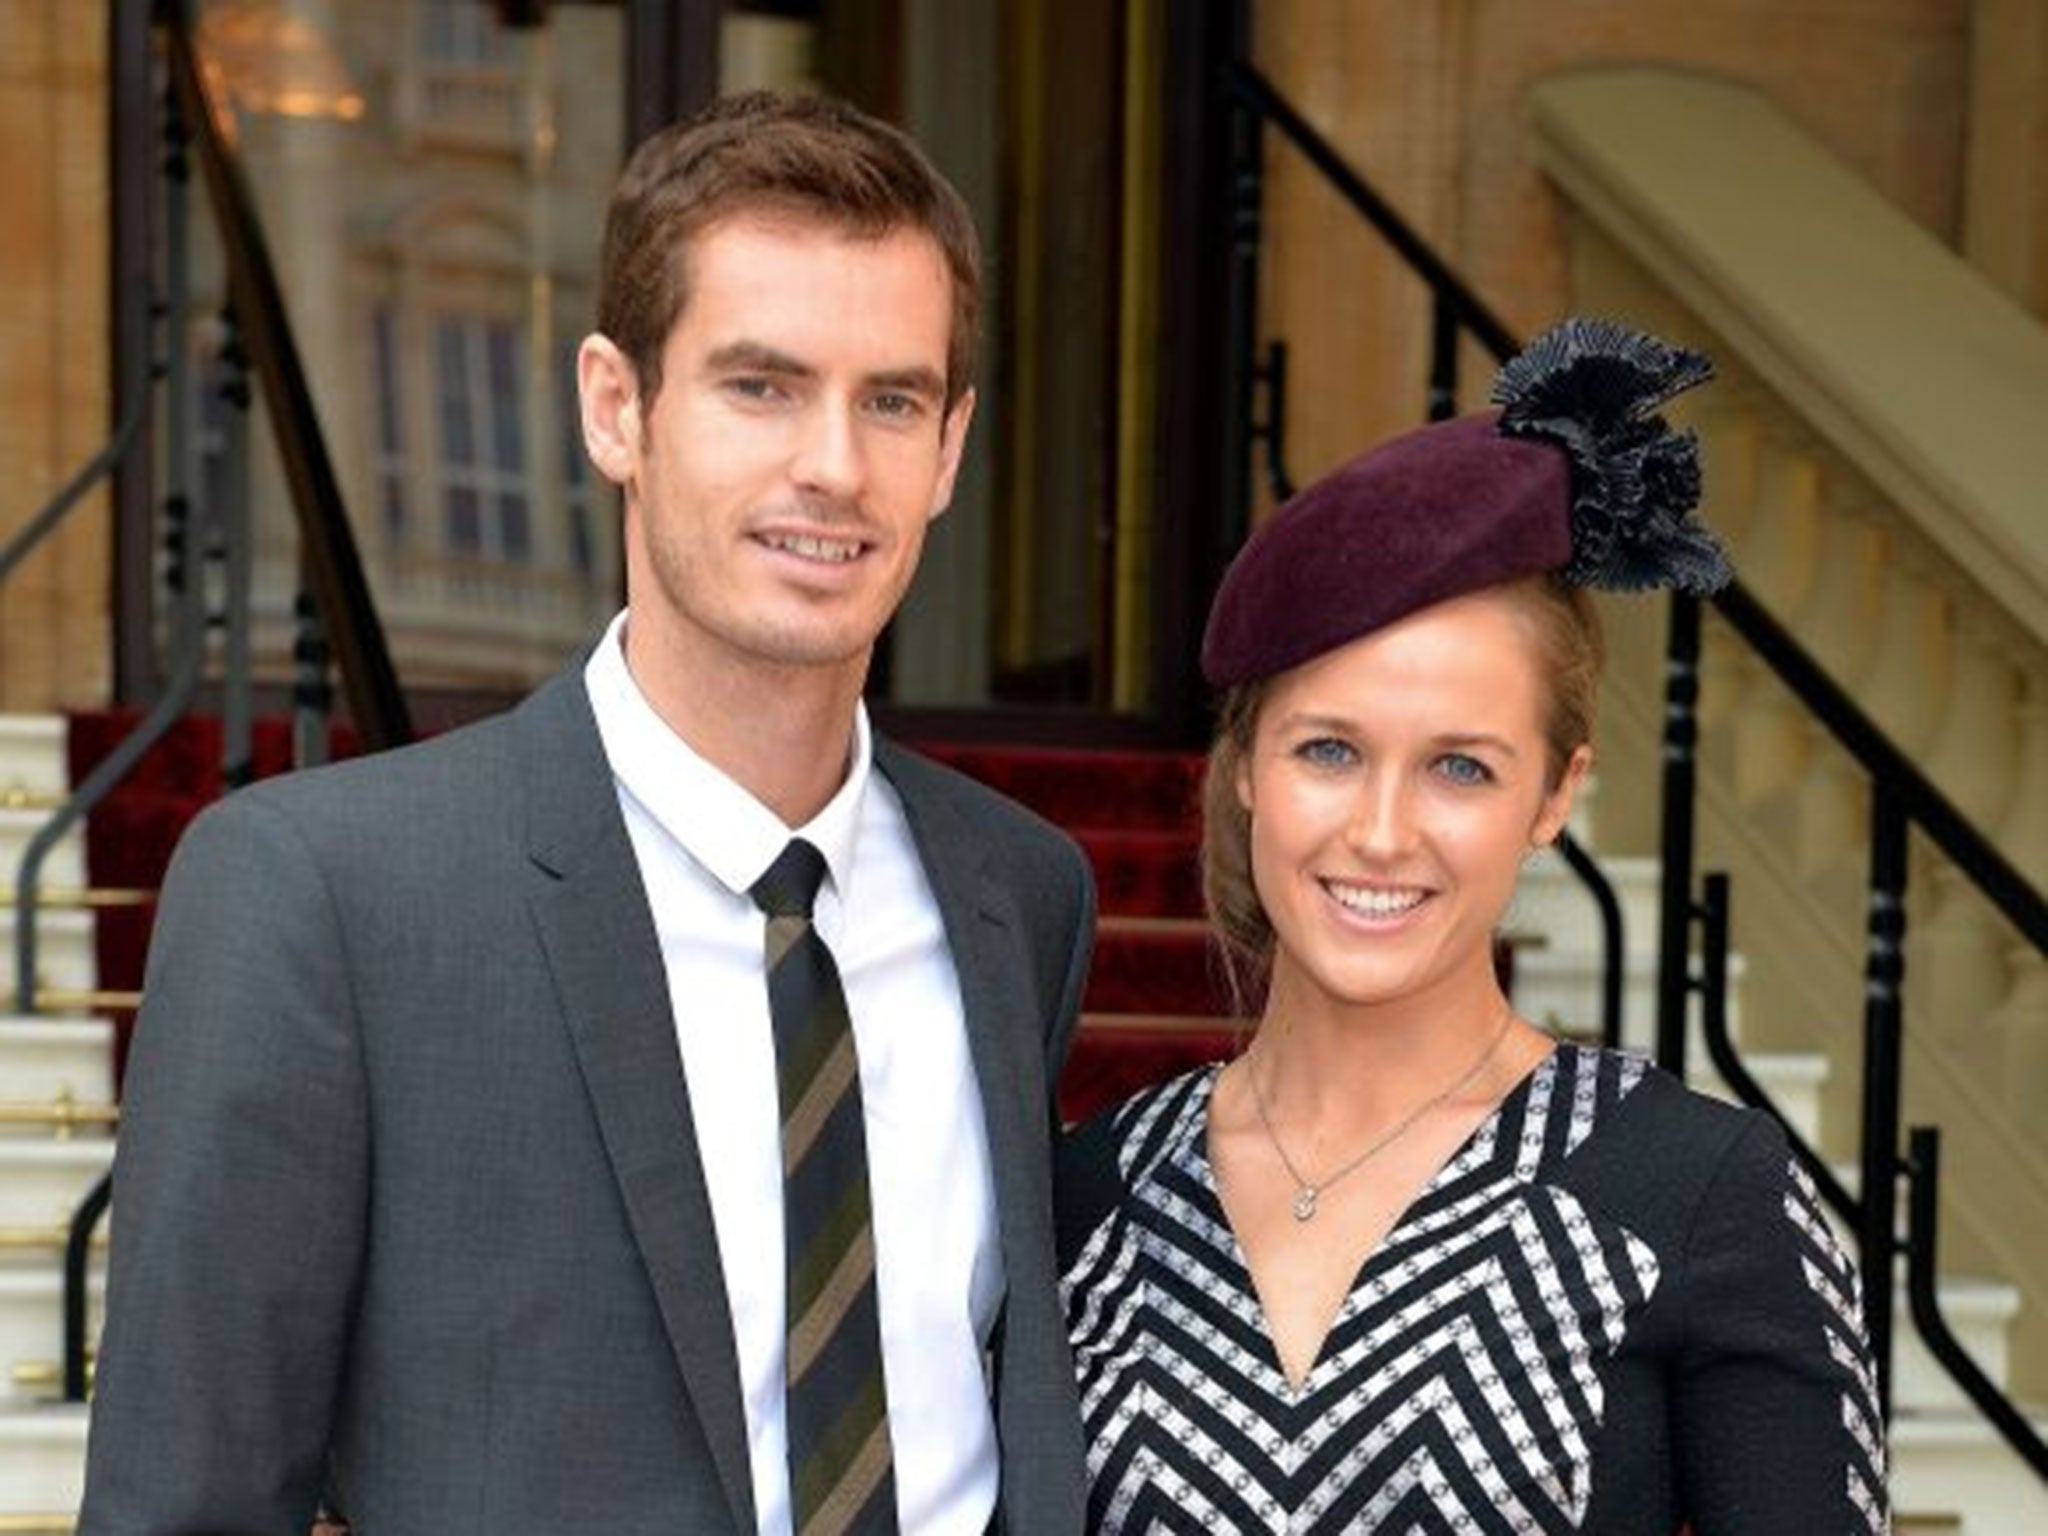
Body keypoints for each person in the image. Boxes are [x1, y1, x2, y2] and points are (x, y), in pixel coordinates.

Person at [81, 91, 1092, 1536]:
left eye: (893, 399)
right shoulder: (325, 897)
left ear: (950, 448)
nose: (835, 465)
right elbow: (187, 1503)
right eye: (760, 384)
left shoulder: (1018, 895)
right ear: (617, 406)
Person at [1056, 320, 1886, 1533]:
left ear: (1554, 795)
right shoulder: (1090, 1195)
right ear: (1242, 769)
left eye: (1459, 769)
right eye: (1328, 751)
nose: (1381, 833)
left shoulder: (1701, 1195)